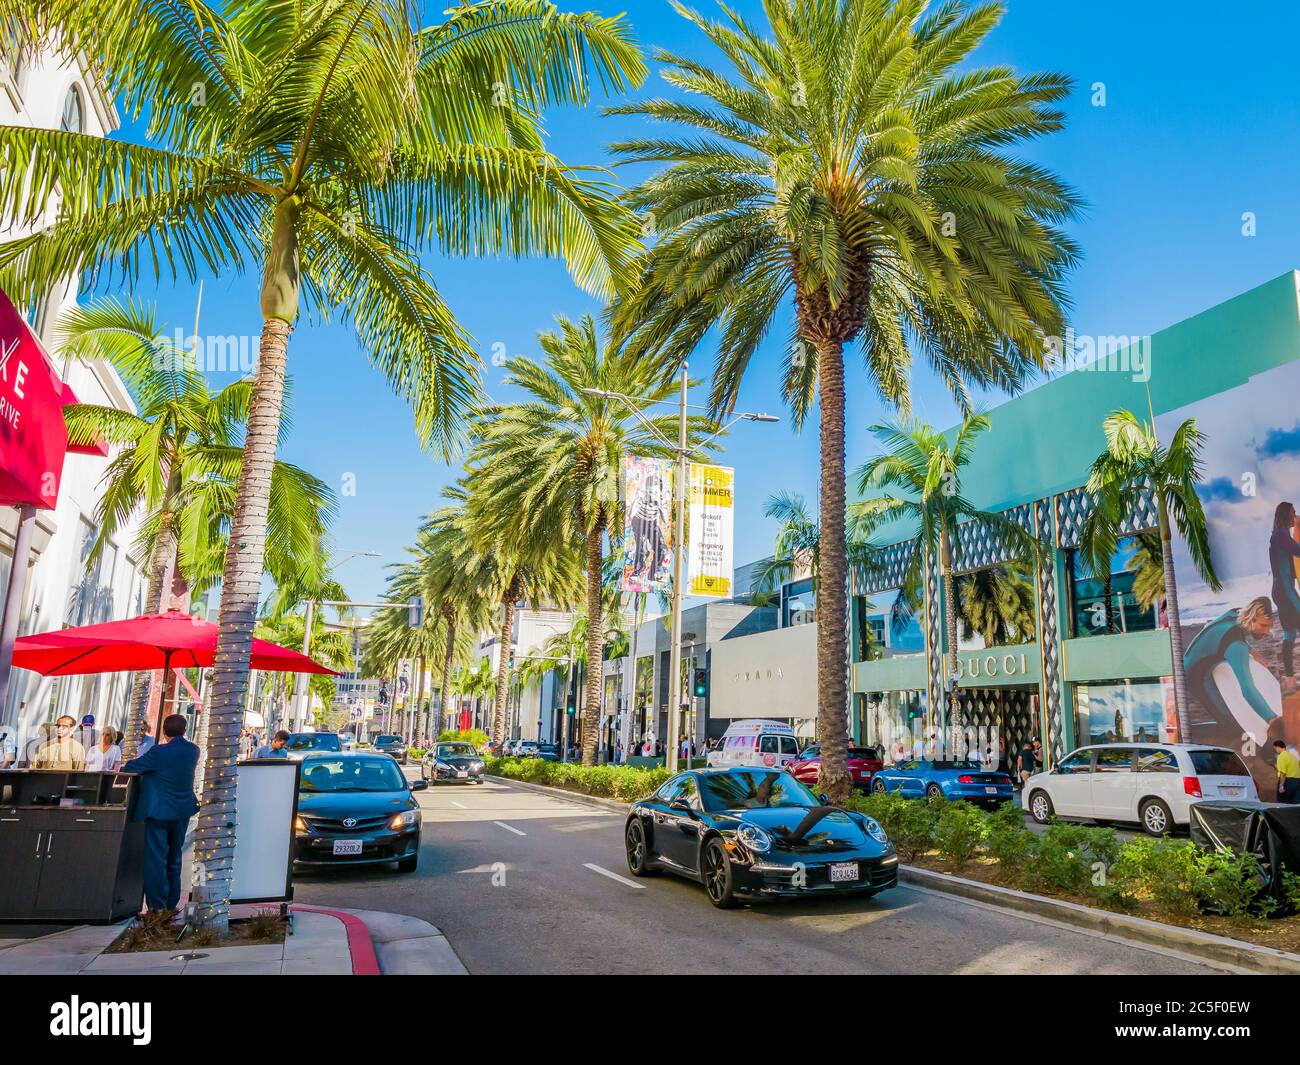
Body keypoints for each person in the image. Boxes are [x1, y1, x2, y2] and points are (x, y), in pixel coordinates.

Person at [123, 714, 201, 916]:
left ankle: (157, 905)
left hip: (158, 810)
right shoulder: (193, 750)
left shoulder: (159, 752)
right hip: (182, 811)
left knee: (156, 857)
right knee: (174, 855)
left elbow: (132, 767)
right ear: (185, 730)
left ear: (164, 731)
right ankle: (170, 903)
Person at [1183, 597, 1279, 746]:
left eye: (1269, 626)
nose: (1267, 631)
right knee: (1227, 720)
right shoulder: (1236, 646)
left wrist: (1253, 652)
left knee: (1234, 712)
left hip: (1200, 658)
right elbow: (1247, 689)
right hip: (1196, 676)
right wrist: (1272, 719)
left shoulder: (1236, 613)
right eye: (1263, 625)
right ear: (1251, 619)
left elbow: (1212, 626)